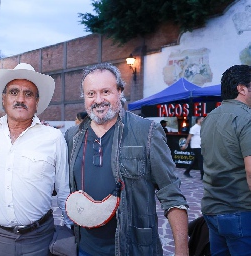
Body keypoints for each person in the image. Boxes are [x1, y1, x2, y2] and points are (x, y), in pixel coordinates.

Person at [64, 63, 189, 255]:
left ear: (120, 91)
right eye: (91, 94)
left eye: (106, 91)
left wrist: (182, 251)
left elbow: (171, 193)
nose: (98, 100)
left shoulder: (146, 132)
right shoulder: (73, 136)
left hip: (134, 249)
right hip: (85, 248)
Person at [0, 63, 71, 256]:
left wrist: (71, 232)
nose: (20, 99)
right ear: (3, 99)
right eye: (14, 92)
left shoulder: (53, 138)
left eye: (28, 94)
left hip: (39, 239)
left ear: (37, 102)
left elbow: (64, 192)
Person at [200, 65, 251, 255]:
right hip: (240, 211)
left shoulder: (209, 118)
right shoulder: (247, 118)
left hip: (212, 209)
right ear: (242, 88)